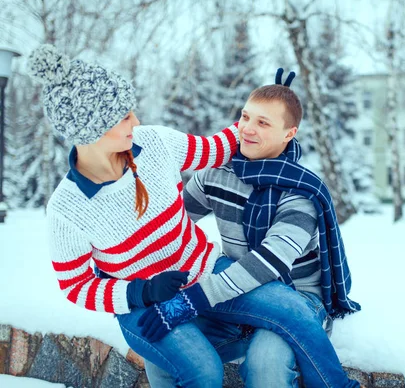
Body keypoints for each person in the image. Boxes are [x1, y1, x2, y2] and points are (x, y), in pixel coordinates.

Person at [29, 45, 360, 388]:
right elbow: (76, 285)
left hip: (202, 271)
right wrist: (137, 293)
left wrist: (268, 111)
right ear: (93, 128)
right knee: (201, 370)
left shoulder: (154, 142)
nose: (136, 121)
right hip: (141, 300)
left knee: (293, 311)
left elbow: (216, 147)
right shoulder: (67, 208)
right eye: (124, 116)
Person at [141, 70, 362, 387]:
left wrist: (193, 299)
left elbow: (268, 263)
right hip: (235, 293)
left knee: (266, 364)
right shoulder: (217, 174)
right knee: (163, 347)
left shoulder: (300, 193)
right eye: (245, 117)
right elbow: (171, 225)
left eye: (263, 122)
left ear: (289, 133)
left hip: (297, 300)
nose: (247, 129)